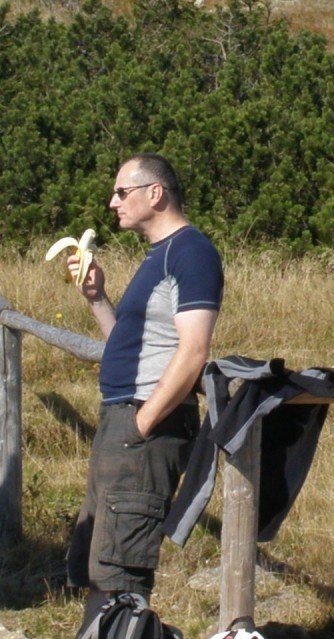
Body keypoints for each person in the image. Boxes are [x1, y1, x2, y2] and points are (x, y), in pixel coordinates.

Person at [65, 154, 222, 615]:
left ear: (156, 193)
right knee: (100, 564)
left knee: (120, 573)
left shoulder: (191, 252)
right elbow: (132, 348)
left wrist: (142, 423)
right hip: (121, 420)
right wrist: (97, 299)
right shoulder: (159, 256)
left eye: (121, 192)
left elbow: (193, 351)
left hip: (143, 431)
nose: (113, 202)